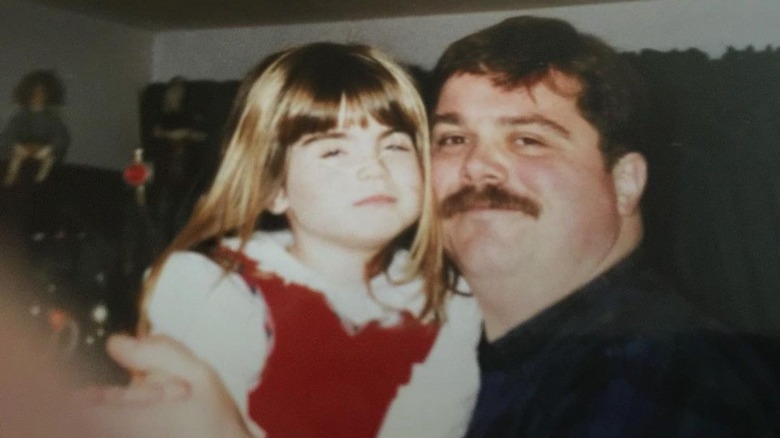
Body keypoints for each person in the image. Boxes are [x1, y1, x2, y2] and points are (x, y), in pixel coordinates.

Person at [87, 42, 481, 438]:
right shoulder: (214, 287)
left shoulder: (447, 299)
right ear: (275, 189)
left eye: (394, 145)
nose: (373, 169)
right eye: (334, 151)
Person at [428, 15, 780, 437]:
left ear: (625, 182)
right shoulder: (457, 369)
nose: (477, 167)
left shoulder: (668, 381)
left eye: (528, 140)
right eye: (452, 139)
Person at [1, 69, 69, 187]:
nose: (38, 96)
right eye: (34, 93)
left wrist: (47, 149)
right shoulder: (20, 117)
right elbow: (8, 135)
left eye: (42, 93)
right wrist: (19, 147)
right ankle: (10, 179)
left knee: (48, 162)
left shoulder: (53, 118)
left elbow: (61, 138)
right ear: (27, 94)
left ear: (48, 96)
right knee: (15, 161)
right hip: (22, 150)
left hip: (44, 152)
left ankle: (40, 182)